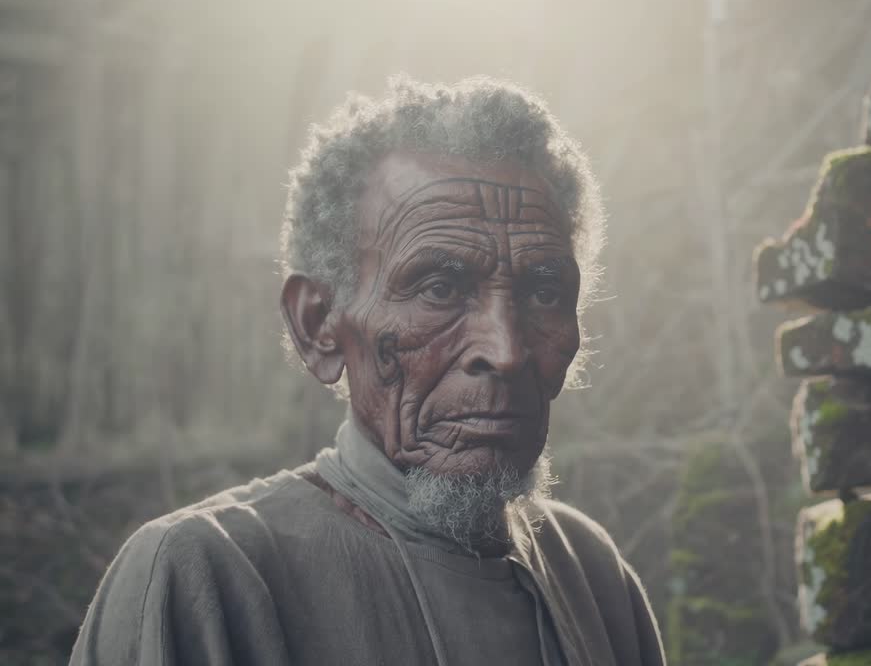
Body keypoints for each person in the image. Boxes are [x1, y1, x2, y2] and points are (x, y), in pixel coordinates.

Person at [70, 76, 666, 665]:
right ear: (318, 323)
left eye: (543, 293)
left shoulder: (592, 575)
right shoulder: (206, 576)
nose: (506, 351)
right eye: (440, 287)